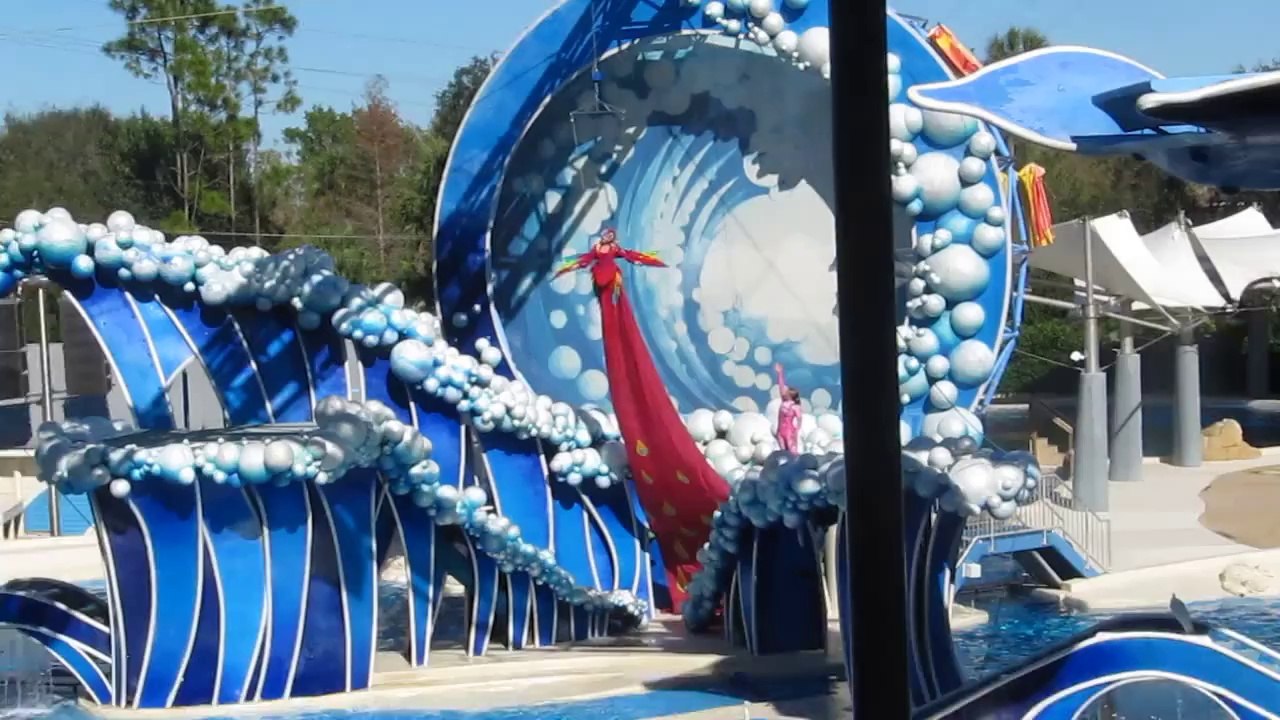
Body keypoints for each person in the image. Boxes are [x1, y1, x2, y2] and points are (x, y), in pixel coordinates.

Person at [774, 363, 802, 454]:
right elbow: (781, 386)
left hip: (789, 432)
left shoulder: (795, 406)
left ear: (790, 395)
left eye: (786, 391)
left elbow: (799, 419)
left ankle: (796, 461)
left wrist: (796, 431)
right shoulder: (784, 401)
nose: (784, 391)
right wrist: (780, 373)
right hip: (780, 431)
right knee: (783, 452)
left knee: (792, 451)